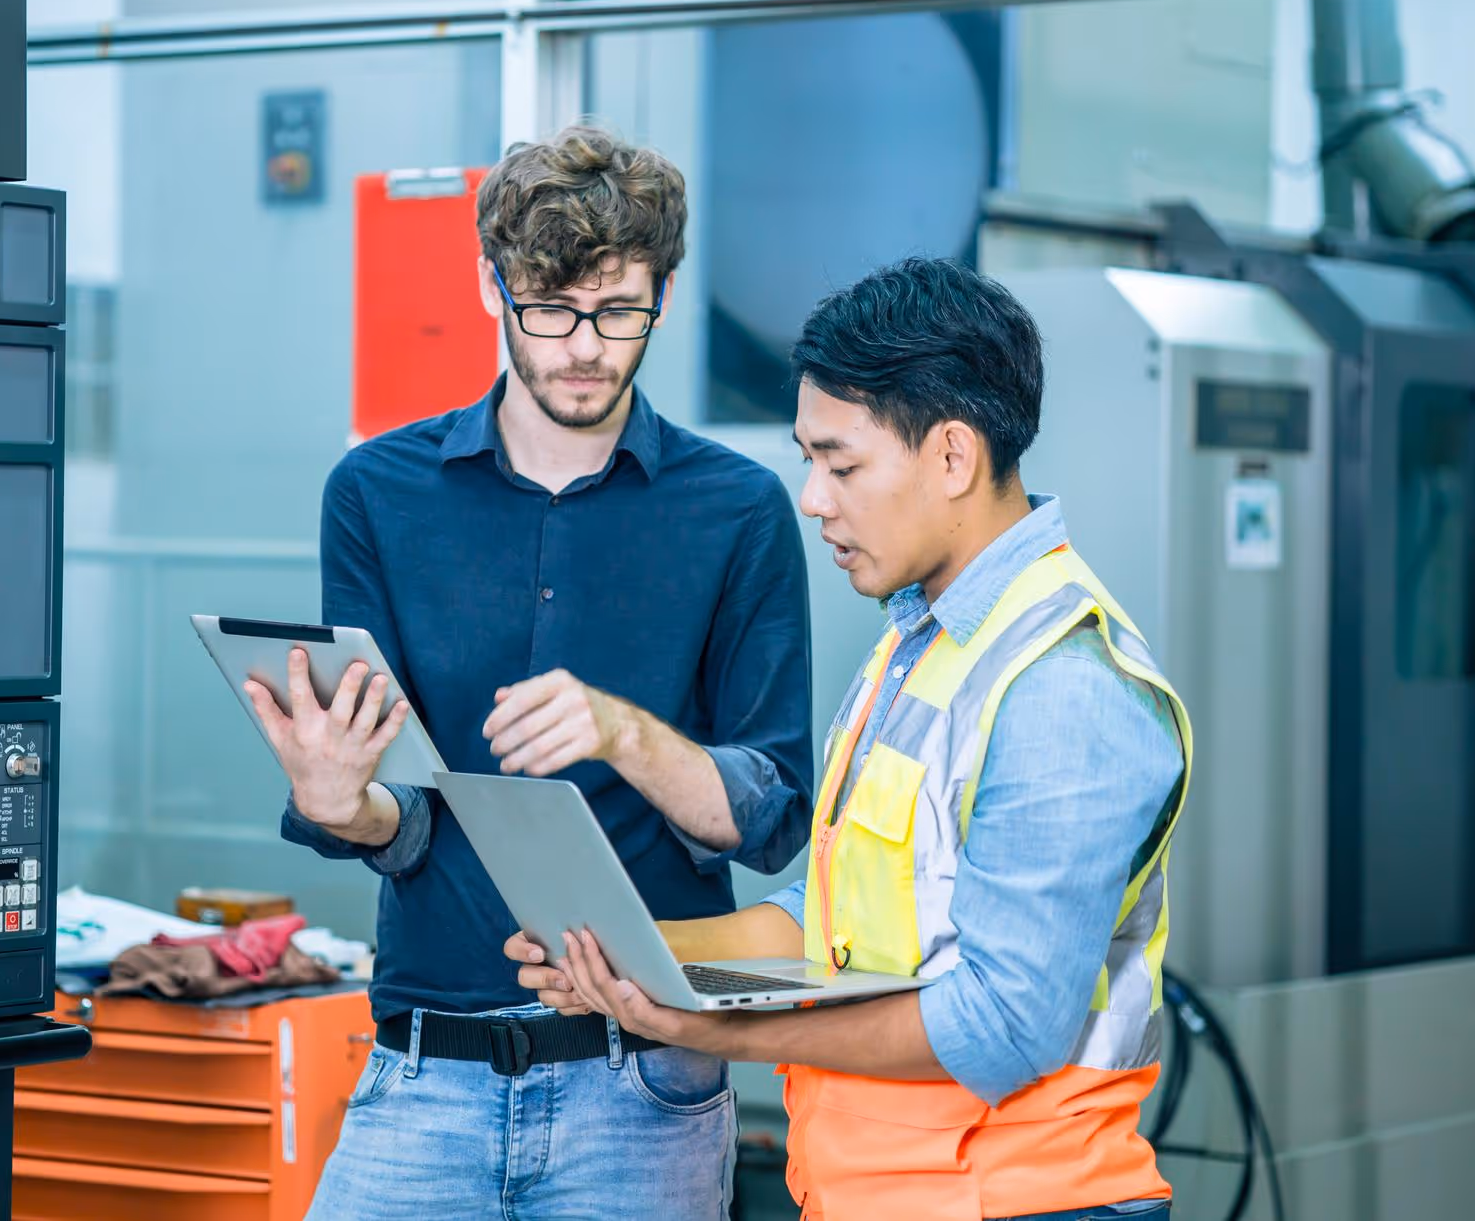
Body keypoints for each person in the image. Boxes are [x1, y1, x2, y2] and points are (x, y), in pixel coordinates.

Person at [510, 257, 1192, 1221]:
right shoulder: (919, 646)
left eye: (841, 462)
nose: (812, 497)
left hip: (1021, 1203)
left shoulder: (1062, 686)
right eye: (808, 459)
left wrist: (711, 1027)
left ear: (952, 457)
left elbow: (1002, 1027)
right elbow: (826, 925)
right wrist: (638, 958)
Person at [247, 123, 814, 1220]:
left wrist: (625, 731)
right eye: (547, 311)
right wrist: (336, 802)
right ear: (489, 287)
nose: (582, 348)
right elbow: (399, 814)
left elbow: (774, 815)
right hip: (423, 1072)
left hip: (641, 1083)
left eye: (618, 312)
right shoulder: (375, 493)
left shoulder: (737, 511)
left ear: (663, 291)